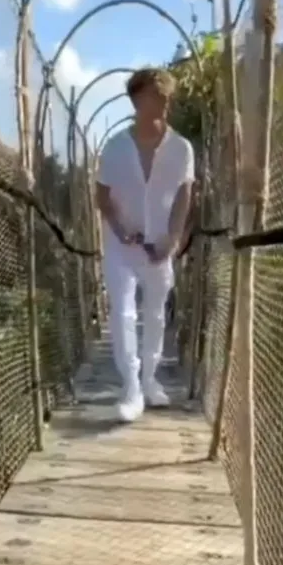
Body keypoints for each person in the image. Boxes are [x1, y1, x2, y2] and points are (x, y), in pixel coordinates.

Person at [96, 67, 195, 422]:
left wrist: (173, 238)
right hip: (122, 246)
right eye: (158, 95)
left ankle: (151, 379)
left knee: (155, 313)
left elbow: (185, 196)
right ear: (138, 100)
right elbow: (102, 196)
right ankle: (131, 388)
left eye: (168, 96)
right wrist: (121, 230)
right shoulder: (115, 147)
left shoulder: (182, 148)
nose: (166, 102)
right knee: (123, 312)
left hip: (161, 246)